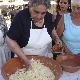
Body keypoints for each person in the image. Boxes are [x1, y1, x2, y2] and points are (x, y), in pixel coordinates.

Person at [5, 0, 61, 66]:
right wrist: (25, 60)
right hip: (22, 59)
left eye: (43, 13)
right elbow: (9, 40)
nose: (39, 16)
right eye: (36, 12)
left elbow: (52, 29)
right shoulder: (21, 17)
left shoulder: (48, 16)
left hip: (43, 59)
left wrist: (57, 39)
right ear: (30, 6)